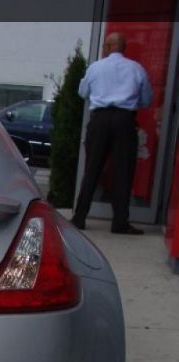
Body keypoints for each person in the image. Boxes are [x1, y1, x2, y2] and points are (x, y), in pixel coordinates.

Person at [71, 32, 153, 234]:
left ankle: (79, 218)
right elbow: (146, 99)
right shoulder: (136, 68)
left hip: (99, 119)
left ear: (107, 47)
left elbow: (83, 93)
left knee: (92, 170)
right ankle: (119, 222)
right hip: (125, 120)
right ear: (123, 48)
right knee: (122, 172)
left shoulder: (95, 67)